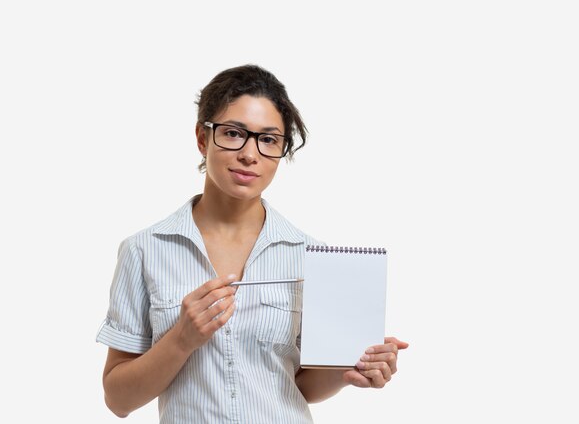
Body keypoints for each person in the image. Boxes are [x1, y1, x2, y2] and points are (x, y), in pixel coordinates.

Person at [96, 64, 409, 423]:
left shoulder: (310, 256)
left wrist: (349, 369)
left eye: (269, 139)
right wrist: (181, 339)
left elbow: (298, 387)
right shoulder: (144, 250)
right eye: (233, 133)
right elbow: (117, 399)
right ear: (202, 138)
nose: (250, 154)